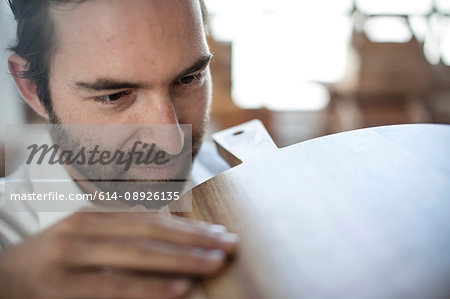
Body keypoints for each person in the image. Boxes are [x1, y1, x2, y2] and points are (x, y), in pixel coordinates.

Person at [0, 0, 238, 298]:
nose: (171, 141)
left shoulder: (242, 181)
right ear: (32, 88)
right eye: (114, 96)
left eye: (189, 78)